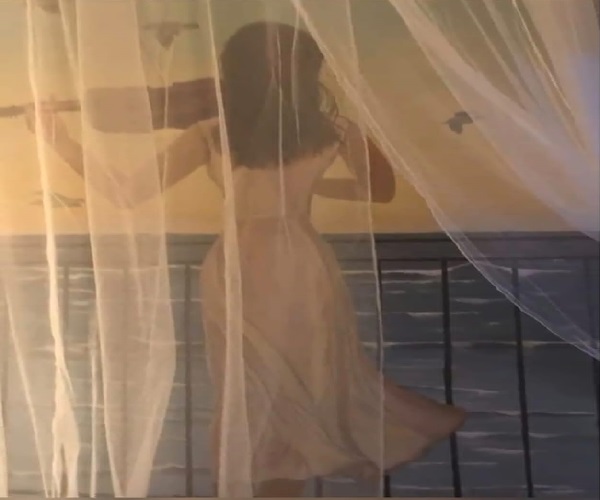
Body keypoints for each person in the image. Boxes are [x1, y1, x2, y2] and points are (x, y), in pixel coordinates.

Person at [27, 21, 465, 498]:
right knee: (296, 385)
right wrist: (311, 187)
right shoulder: (332, 131)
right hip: (300, 262)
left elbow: (127, 191)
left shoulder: (214, 133)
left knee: (251, 391)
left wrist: (59, 141)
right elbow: (379, 190)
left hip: (239, 265)